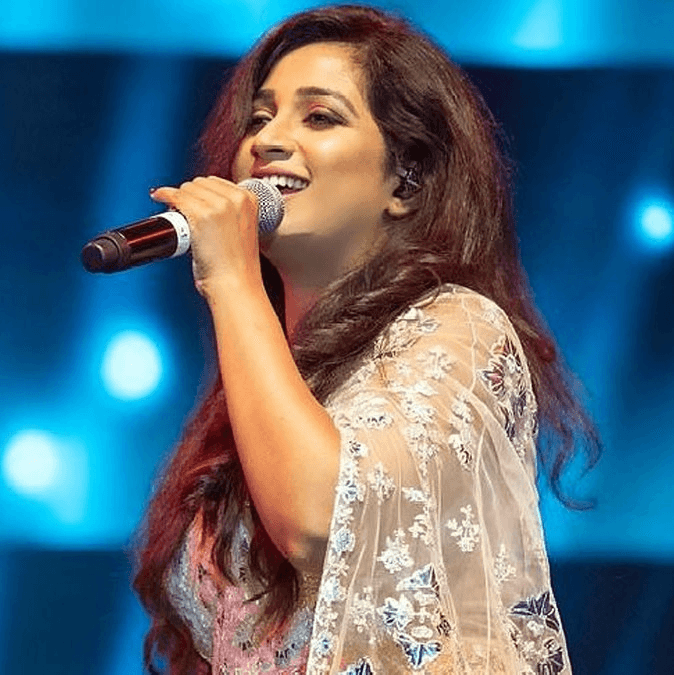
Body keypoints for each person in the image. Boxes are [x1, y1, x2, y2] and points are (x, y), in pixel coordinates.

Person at [133, 5, 600, 674]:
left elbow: (320, 519)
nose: (268, 140)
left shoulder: (457, 331)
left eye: (319, 117)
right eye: (260, 118)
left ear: (404, 180)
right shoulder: (263, 376)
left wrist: (233, 281)